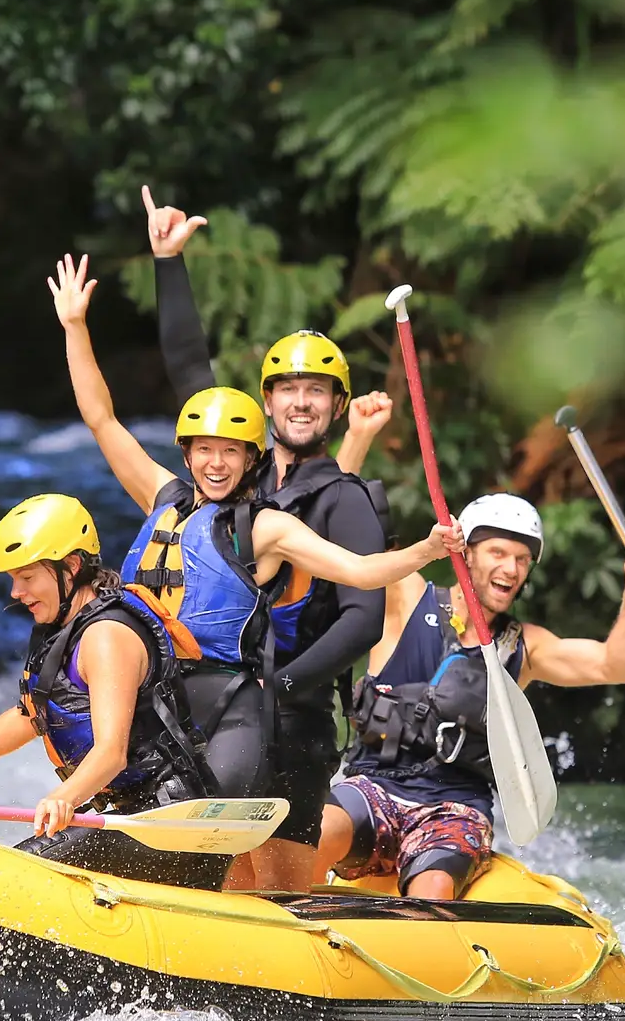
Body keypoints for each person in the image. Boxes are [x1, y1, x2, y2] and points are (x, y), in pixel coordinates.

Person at [47, 253, 463, 832]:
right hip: (164, 705)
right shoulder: (169, 496)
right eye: (204, 450)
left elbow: (361, 577)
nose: (217, 462)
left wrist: (426, 550)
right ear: (189, 451)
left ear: (250, 456)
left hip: (273, 708)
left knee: (266, 873)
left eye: (230, 452)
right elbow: (102, 418)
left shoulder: (270, 520)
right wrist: (75, 327)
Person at [141, 186, 397, 890]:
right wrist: (170, 264)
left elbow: (364, 617)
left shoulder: (345, 500)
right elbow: (193, 373)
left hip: (294, 715)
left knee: (278, 887)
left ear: (337, 406)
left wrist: (278, 686)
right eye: (287, 389)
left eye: (318, 391)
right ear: (268, 402)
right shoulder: (243, 482)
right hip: (220, 709)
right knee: (223, 883)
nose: (302, 400)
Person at [0, 495, 228, 888]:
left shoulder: (106, 636)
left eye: (27, 577)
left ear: (70, 567)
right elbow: (28, 717)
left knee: (14, 877)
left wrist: (64, 797)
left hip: (164, 822)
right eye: (13, 580)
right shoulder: (62, 630)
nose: (15, 593)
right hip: (123, 814)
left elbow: (111, 753)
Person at [319, 494, 625, 900]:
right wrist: (425, 547)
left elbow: (613, 666)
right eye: (498, 553)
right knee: (323, 830)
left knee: (432, 891)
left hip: (453, 808)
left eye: (522, 559)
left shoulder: (525, 647)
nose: (511, 568)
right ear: (465, 553)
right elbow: (346, 557)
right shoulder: (406, 596)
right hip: (374, 785)